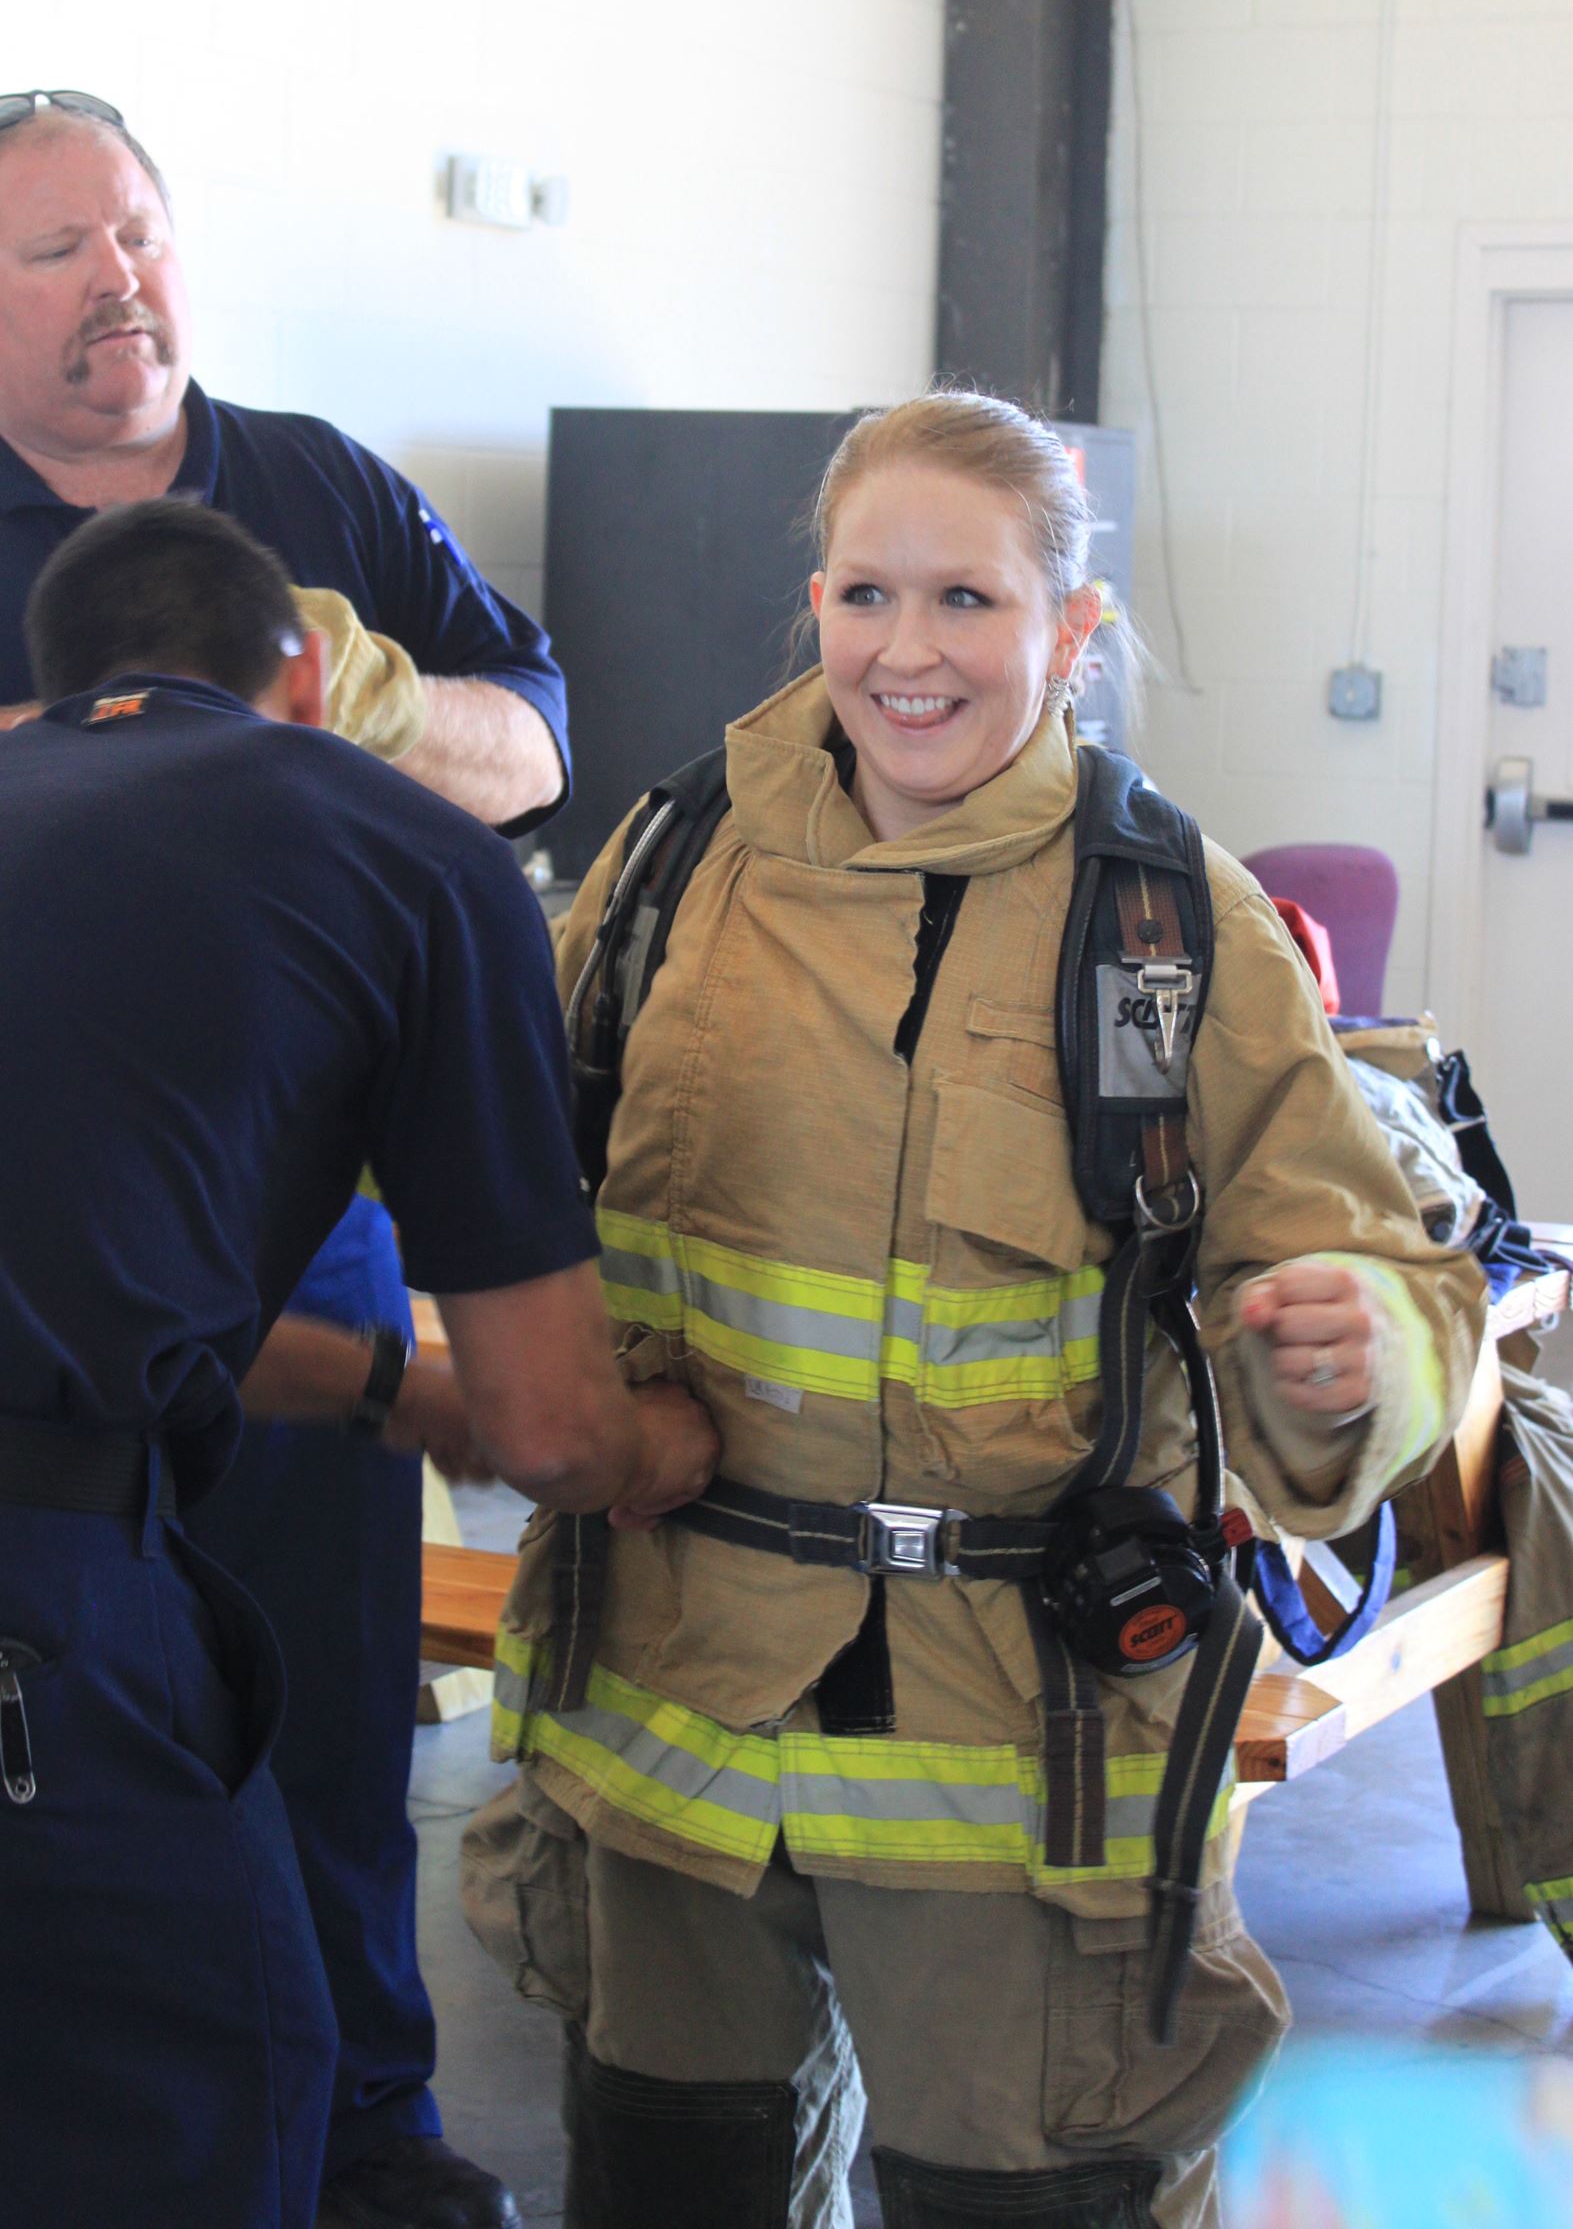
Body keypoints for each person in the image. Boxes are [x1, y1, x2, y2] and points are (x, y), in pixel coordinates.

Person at [470, 394, 1488, 2229]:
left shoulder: (1171, 928)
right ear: (815, 603)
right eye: (868, 595)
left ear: (1069, 635)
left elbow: (1386, 1270)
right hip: (667, 1706)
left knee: (1014, 2197)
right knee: (666, 2180)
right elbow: (490, 1148)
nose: (907, 652)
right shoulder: (670, 867)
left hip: (1011, 1749)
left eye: (968, 602)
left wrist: (1365, 1351)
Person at [0, 89, 568, 2229]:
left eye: (140, 235)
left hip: (292, 1220)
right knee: (11, 1721)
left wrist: (365, 707)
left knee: (329, 1694)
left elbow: (527, 740)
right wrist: (170, 732)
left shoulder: (322, 481)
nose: (116, 284)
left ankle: (359, 2114)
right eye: (59, 251)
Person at [0, 498, 718, 2229]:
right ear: (312, 673)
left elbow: (88, 1280)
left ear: (55, 691)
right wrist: (654, 1446)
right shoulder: (412, 850)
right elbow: (554, 1428)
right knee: (207, 2119)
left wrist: (405, 1397)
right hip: (25, 1620)